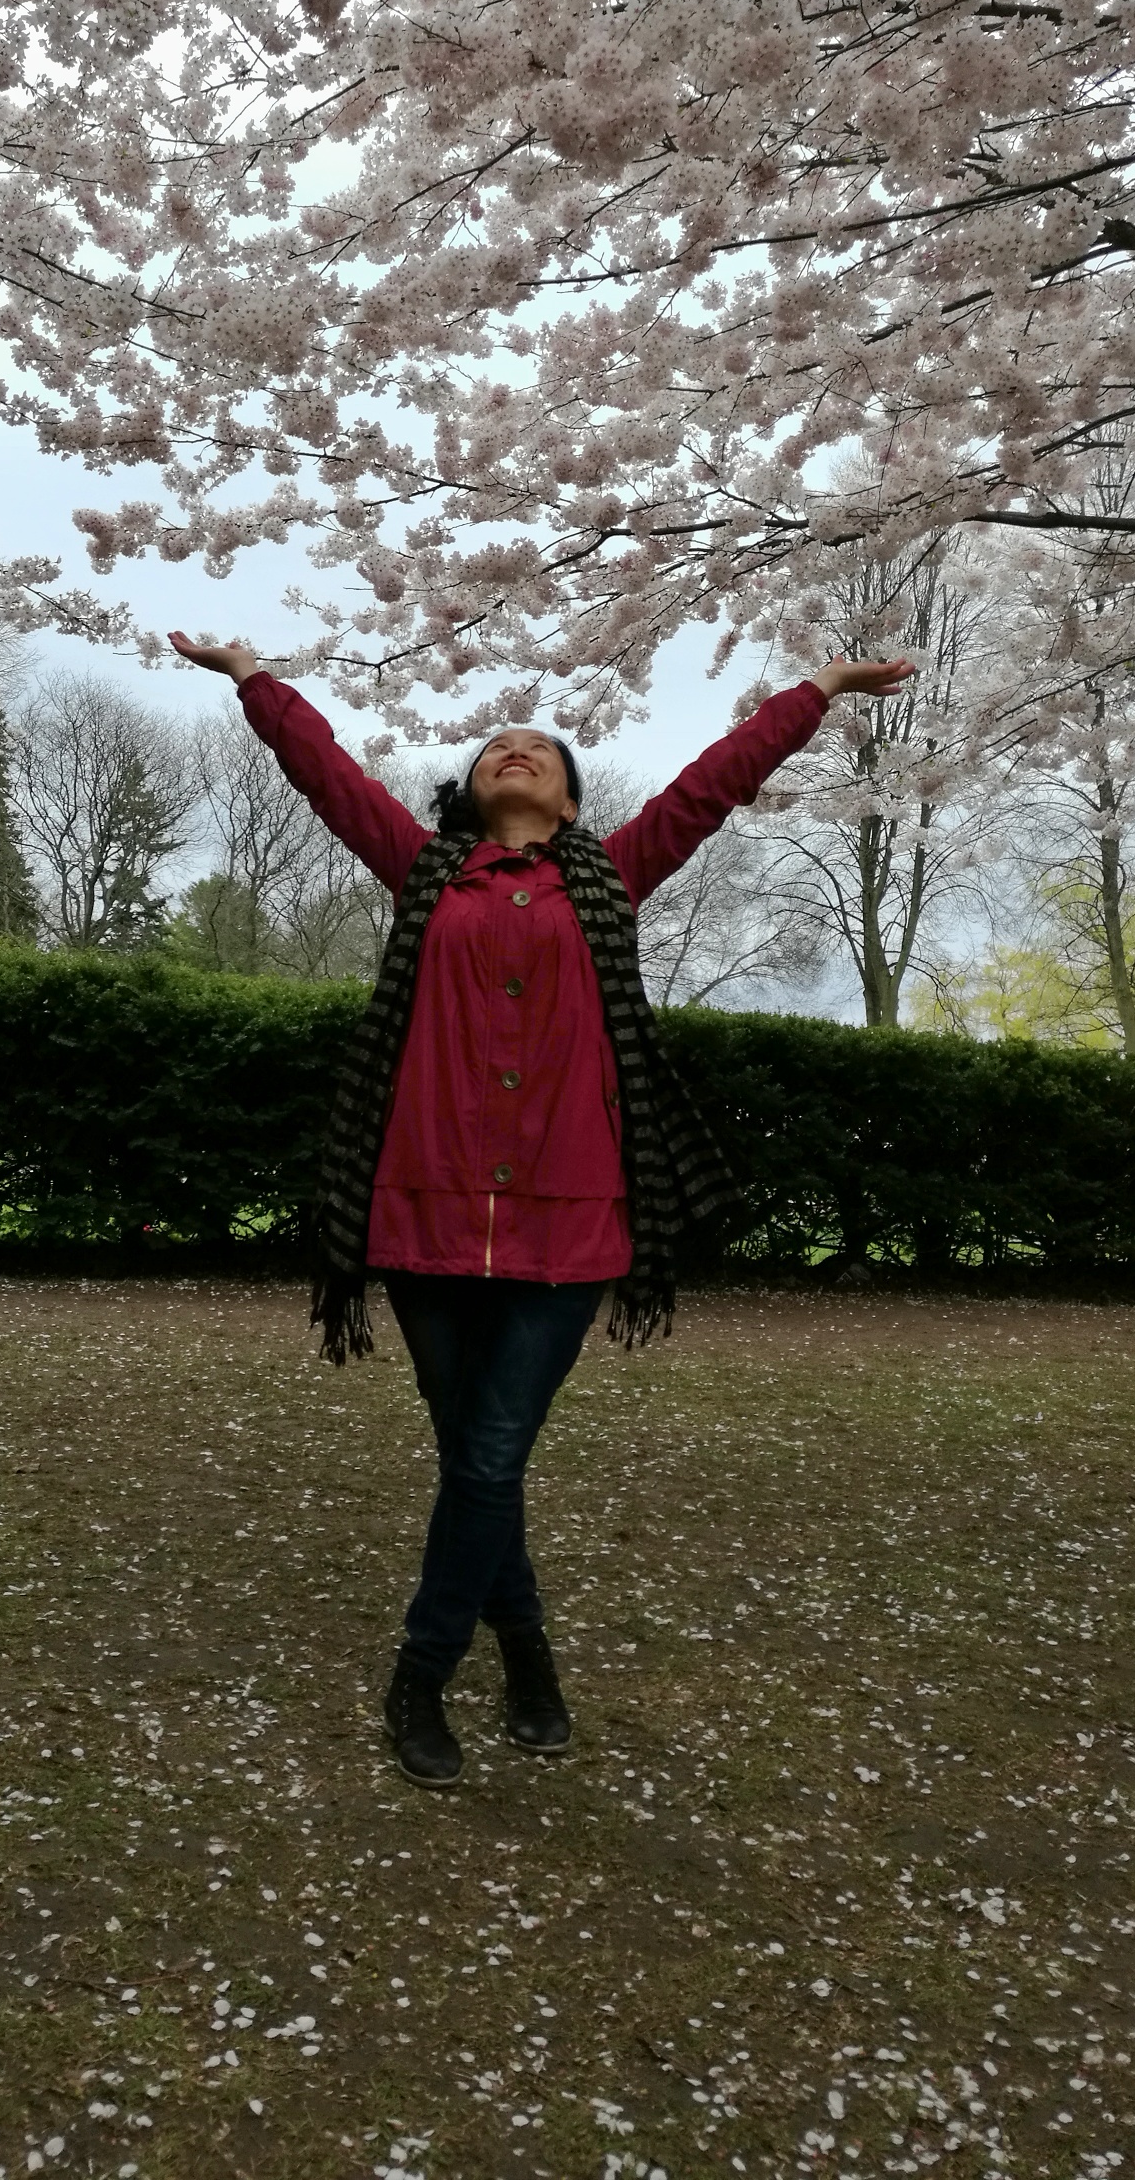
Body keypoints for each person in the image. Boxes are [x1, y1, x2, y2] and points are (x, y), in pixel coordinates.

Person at [169, 629, 913, 1788]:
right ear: (471, 793)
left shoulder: (613, 874)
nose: (513, 749)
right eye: (494, 747)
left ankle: (421, 1673)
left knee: (488, 1455)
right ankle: (526, 1653)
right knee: (480, 1460)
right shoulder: (423, 872)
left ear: (568, 800)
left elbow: (713, 784)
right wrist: (255, 682)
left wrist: (813, 692)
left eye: (540, 748)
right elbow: (330, 778)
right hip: (421, 1214)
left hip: (571, 1225)